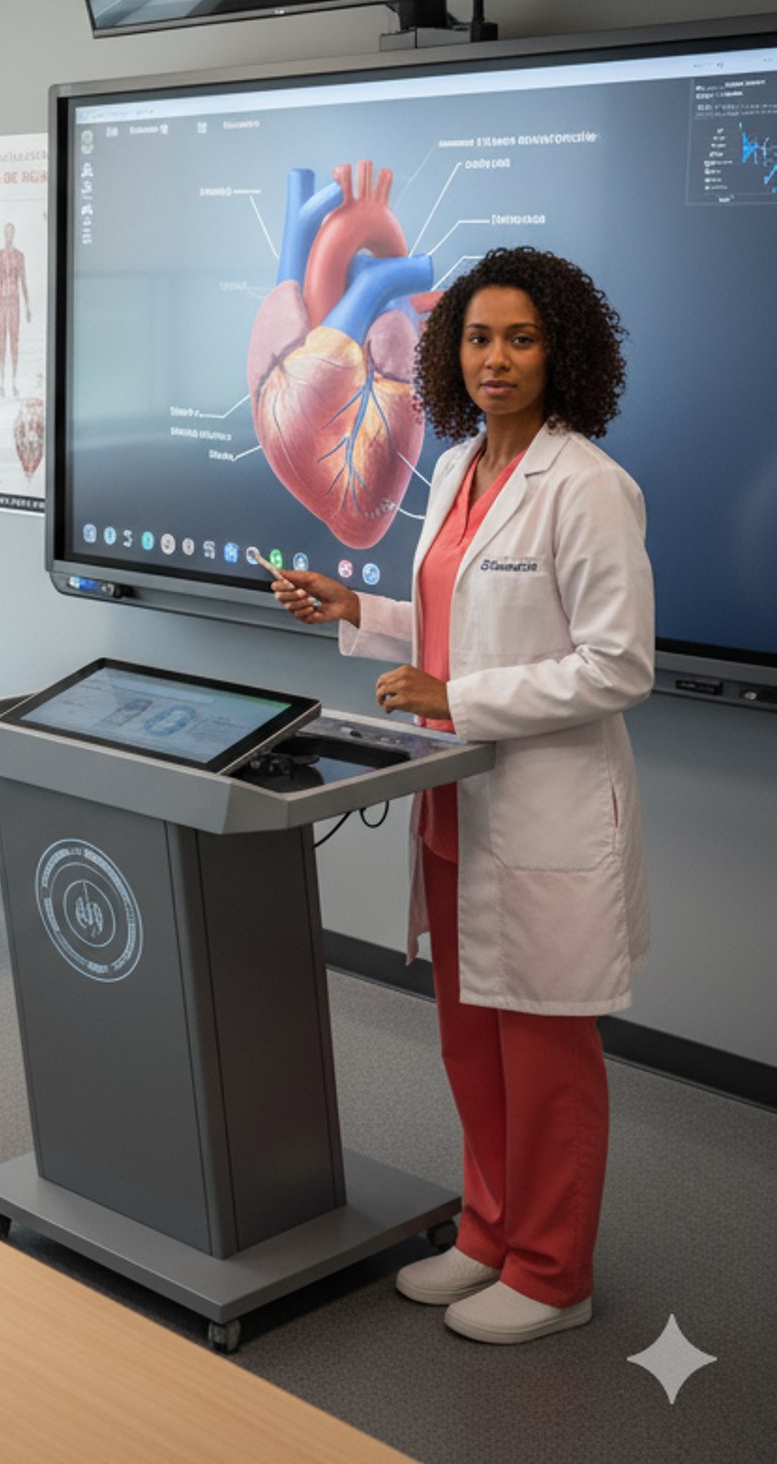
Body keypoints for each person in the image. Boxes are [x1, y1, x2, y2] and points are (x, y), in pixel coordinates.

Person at [270, 248, 652, 1347]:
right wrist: (361, 608)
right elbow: (453, 614)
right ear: (452, 352)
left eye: (521, 338)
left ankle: (553, 1269)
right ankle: (489, 1231)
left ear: (561, 351)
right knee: (470, 1042)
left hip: (545, 809)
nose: (496, 359)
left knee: (547, 1062)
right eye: (479, 338)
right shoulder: (454, 470)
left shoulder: (587, 487)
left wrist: (460, 694)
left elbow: (620, 666)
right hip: (455, 801)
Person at [0, 222, 32, 397]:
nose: (9, 235)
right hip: (1, 302)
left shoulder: (20, 256)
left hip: (15, 302)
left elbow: (24, 281)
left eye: (11, 232)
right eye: (6, 232)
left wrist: (28, 306)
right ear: (3, 234)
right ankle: (1, 382)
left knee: (14, 341)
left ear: (14, 234)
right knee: (1, 342)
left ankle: (13, 382)